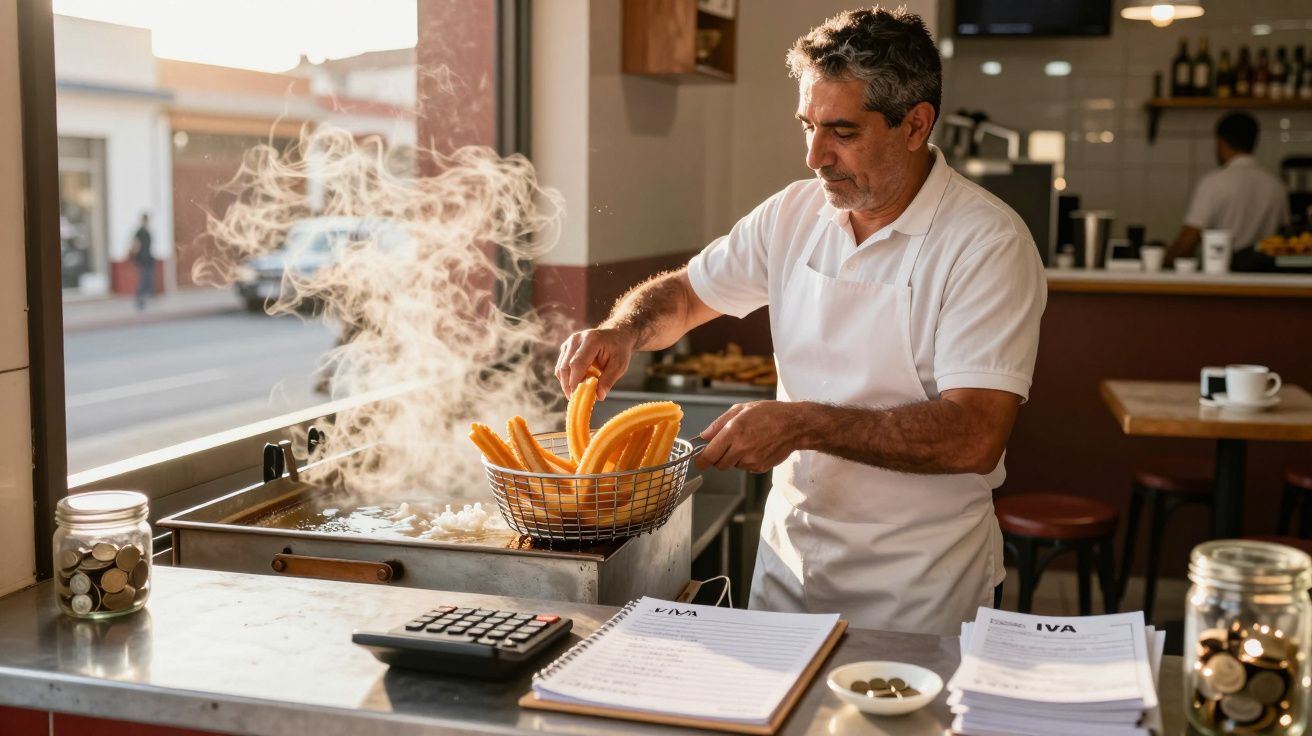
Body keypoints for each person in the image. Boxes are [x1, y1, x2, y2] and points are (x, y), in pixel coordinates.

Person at [555, 8, 1046, 636]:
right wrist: (623, 330)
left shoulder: (985, 241)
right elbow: (683, 295)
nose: (816, 156)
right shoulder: (792, 214)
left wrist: (802, 423)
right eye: (808, 127)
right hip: (788, 576)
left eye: (842, 131)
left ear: (916, 123)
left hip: (920, 591)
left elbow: (976, 435)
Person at [1166, 112, 1289, 264]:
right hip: (1265, 280)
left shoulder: (1214, 183)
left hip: (1222, 278)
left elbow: (1187, 243)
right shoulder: (1277, 186)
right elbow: (1285, 237)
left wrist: (1159, 262)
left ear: (1221, 142)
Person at [130, 213, 155, 310]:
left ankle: (145, 298)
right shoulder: (140, 232)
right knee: (144, 279)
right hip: (143, 259)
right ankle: (140, 299)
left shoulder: (147, 231)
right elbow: (135, 245)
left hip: (148, 258)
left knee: (148, 279)